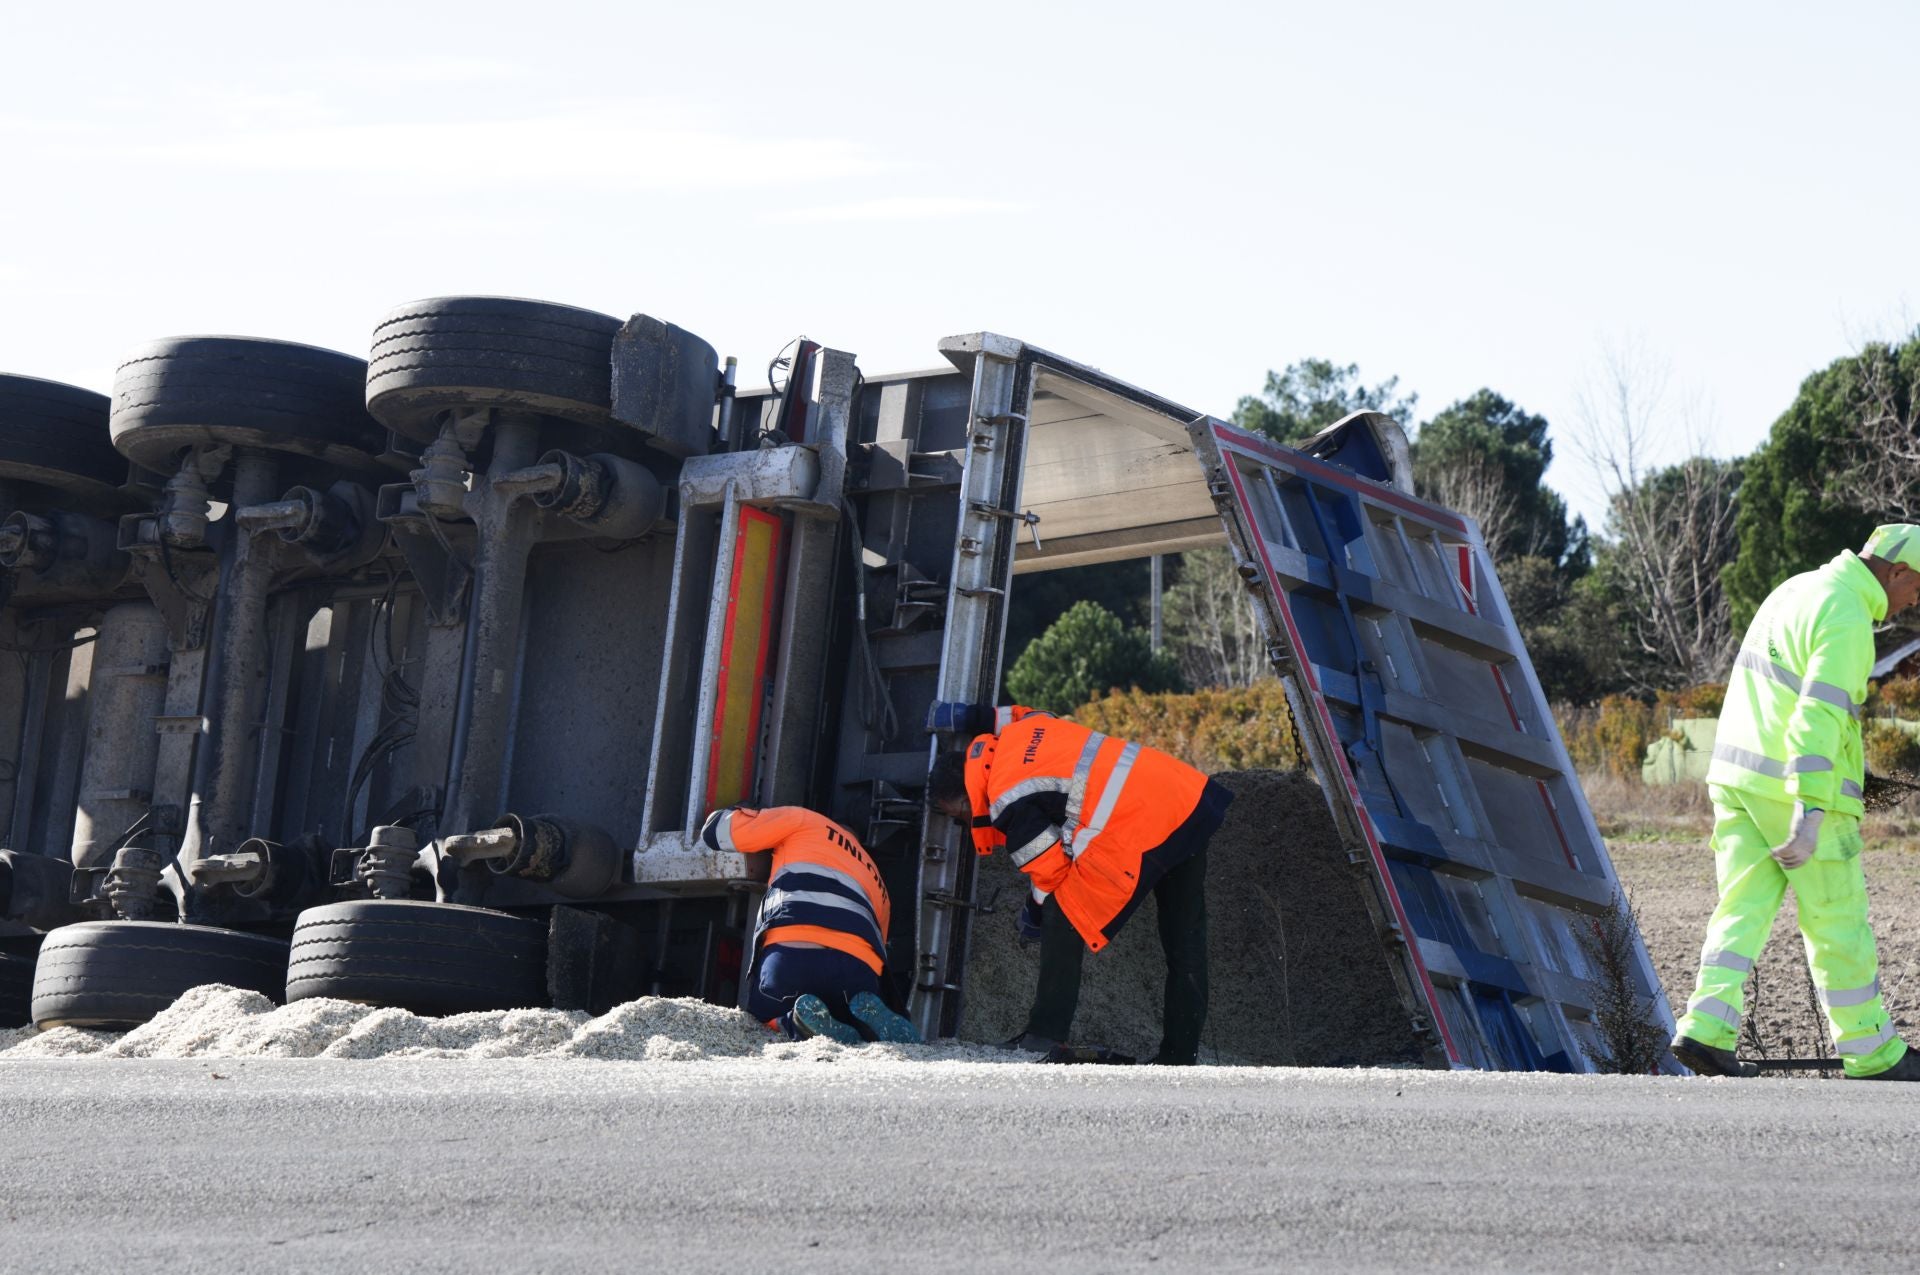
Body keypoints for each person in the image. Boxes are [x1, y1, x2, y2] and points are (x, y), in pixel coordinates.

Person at [1672, 524, 1920, 1081]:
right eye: (1917, 589)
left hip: (1736, 776)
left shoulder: (1797, 588)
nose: (1913, 602)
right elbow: (1819, 715)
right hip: (1796, 795)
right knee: (1839, 921)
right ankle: (1872, 1053)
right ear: (1897, 571)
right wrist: (1811, 810)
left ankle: (1705, 1030)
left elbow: (1779, 697)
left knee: (1741, 910)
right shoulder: (1848, 614)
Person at [926, 704, 1233, 1065]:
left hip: (1136, 824)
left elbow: (1053, 874)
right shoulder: (1022, 732)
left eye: (955, 815)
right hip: (1185, 798)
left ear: (963, 797)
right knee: (1186, 944)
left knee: (1063, 910)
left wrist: (1033, 913)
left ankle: (1044, 1033)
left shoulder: (1005, 799)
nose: (961, 822)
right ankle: (1179, 1057)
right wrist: (966, 717)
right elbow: (1032, 712)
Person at [700, 804, 919, 1046]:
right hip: (858, 972)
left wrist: (741, 808)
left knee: (760, 1024)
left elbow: (716, 831)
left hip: (791, 960)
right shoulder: (878, 882)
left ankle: (794, 1023)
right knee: (847, 1015)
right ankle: (867, 1027)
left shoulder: (805, 820)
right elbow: (881, 951)